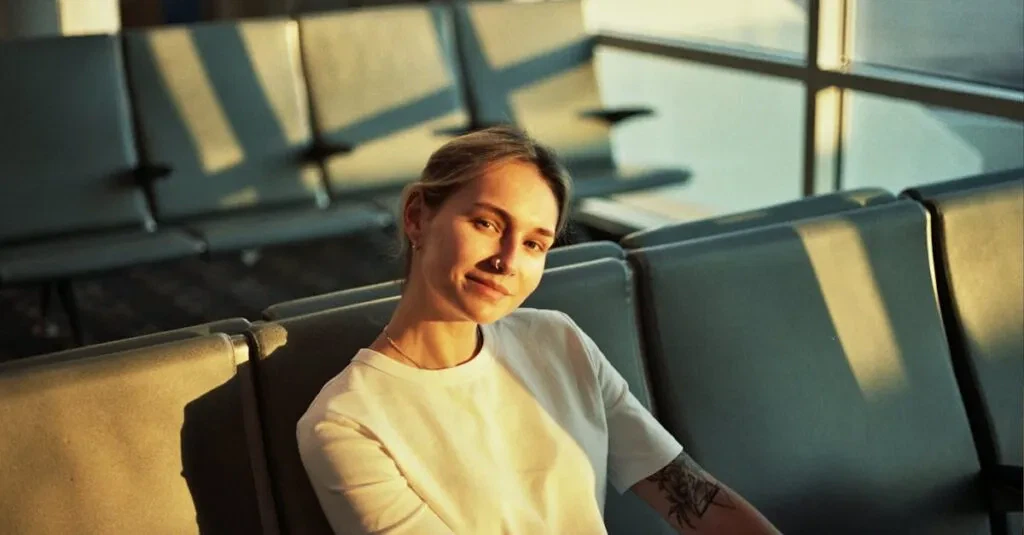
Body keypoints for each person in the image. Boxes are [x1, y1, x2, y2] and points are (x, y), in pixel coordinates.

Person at [297, 126, 780, 534]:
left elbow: (691, 497)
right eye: (486, 223)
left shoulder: (557, 341)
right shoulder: (346, 423)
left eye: (533, 243)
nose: (507, 261)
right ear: (417, 217)